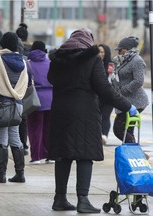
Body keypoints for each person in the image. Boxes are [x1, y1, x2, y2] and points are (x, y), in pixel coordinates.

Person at [47, 28, 137, 213]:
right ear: (88, 41)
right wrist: (128, 106)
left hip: (60, 112)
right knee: (85, 155)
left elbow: (51, 79)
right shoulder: (92, 59)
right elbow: (105, 89)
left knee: (63, 155)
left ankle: (60, 198)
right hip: (84, 113)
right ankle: (83, 200)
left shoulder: (58, 60)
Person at [0, 32, 28, 183]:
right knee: (15, 138)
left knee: (1, 139)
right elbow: (27, 84)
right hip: (17, 105)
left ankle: (0, 174)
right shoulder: (23, 62)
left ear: (2, 44)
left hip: (1, 105)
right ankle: (20, 173)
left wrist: (0, 86)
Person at [112, 36, 149, 145]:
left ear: (127, 49)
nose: (118, 51)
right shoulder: (123, 60)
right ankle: (134, 155)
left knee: (119, 130)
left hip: (136, 102)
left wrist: (123, 91)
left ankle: (135, 151)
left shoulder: (137, 60)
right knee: (127, 131)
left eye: (121, 49)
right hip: (126, 100)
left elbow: (139, 81)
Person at [26, 41, 53, 164]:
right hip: (51, 99)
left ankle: (36, 156)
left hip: (34, 100)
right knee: (49, 128)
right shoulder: (50, 63)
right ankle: (49, 155)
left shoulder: (28, 64)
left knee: (34, 129)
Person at [98, 44, 114, 145]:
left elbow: (112, 80)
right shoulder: (93, 63)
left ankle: (104, 136)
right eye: (99, 51)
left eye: (102, 52)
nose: (100, 54)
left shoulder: (110, 65)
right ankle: (98, 136)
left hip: (108, 96)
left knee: (105, 116)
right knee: (97, 117)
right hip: (97, 96)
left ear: (106, 53)